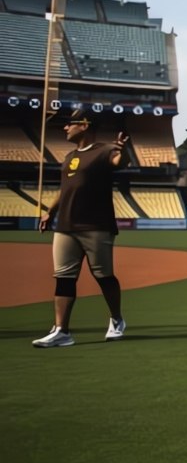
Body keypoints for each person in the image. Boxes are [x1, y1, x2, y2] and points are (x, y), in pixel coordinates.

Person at [32, 108, 130, 347]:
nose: (66, 128)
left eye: (70, 124)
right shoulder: (69, 157)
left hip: (96, 225)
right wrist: (50, 211)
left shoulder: (105, 150)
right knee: (63, 278)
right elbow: (65, 189)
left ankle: (117, 319)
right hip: (66, 225)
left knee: (104, 276)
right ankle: (61, 331)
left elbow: (120, 162)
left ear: (84, 125)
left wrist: (122, 149)